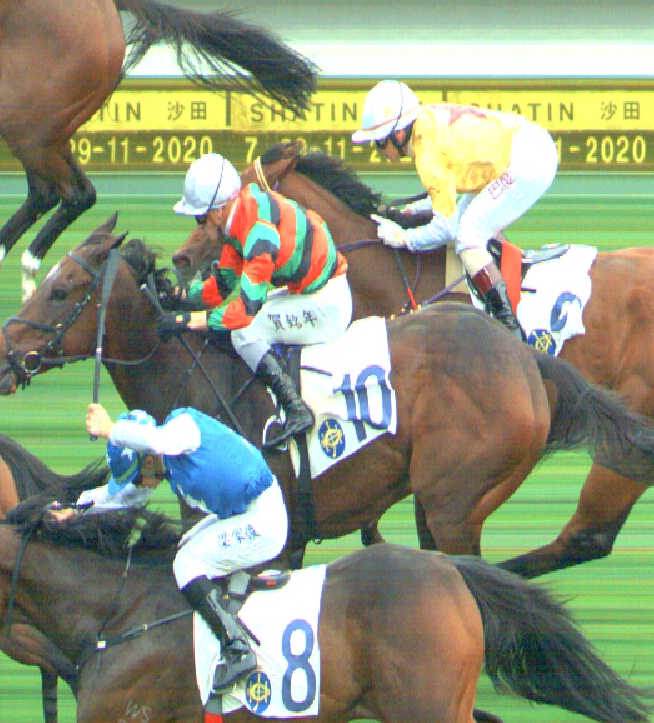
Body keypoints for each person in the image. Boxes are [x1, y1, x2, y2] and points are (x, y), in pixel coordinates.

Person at [85, 404, 287, 694]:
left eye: (140, 469)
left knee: (187, 563)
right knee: (184, 548)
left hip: (264, 520)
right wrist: (75, 509)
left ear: (147, 457)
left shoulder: (182, 429)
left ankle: (238, 648)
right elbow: (123, 498)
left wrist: (109, 429)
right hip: (244, 513)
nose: (143, 477)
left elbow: (156, 441)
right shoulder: (160, 460)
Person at [170, 153, 351, 448]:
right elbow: (221, 287)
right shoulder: (240, 216)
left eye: (200, 218)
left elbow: (245, 312)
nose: (199, 227)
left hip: (326, 305)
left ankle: (295, 408)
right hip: (310, 291)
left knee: (243, 332)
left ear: (217, 212)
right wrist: (179, 295)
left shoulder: (258, 233)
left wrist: (187, 321)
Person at [349, 80, 558, 334]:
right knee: (468, 221)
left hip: (528, 161)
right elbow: (445, 191)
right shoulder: (425, 123)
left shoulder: (427, 154)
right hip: (524, 146)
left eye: (380, 142)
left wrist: (404, 238)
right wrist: (414, 209)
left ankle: (508, 325)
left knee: (468, 236)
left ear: (399, 134)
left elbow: (445, 228)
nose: (378, 150)